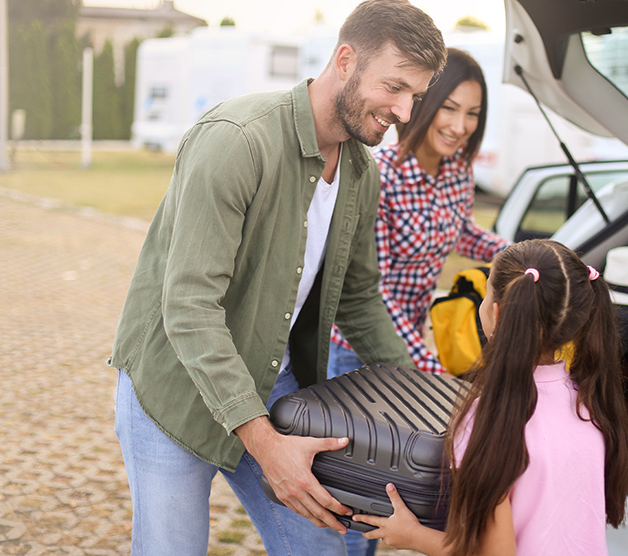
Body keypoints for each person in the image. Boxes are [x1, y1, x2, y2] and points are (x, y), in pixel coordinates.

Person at [107, 1, 446, 554]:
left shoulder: (362, 172)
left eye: (416, 95)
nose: (406, 112)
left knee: (320, 546)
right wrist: (265, 445)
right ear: (344, 60)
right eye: (394, 87)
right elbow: (189, 306)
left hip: (273, 384)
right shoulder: (236, 141)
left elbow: (358, 299)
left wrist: (423, 403)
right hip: (172, 391)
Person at [352, 238, 628, 555]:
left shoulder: (492, 416)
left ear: (496, 314)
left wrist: (412, 535)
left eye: (486, 292)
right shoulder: (591, 401)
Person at [328, 47, 512, 387]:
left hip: (412, 340)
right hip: (356, 351)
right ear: (424, 102)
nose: (460, 127)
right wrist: (427, 366)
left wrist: (518, 254)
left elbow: (459, 230)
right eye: (449, 108)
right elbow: (373, 291)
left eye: (473, 113)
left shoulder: (459, 171)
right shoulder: (380, 176)